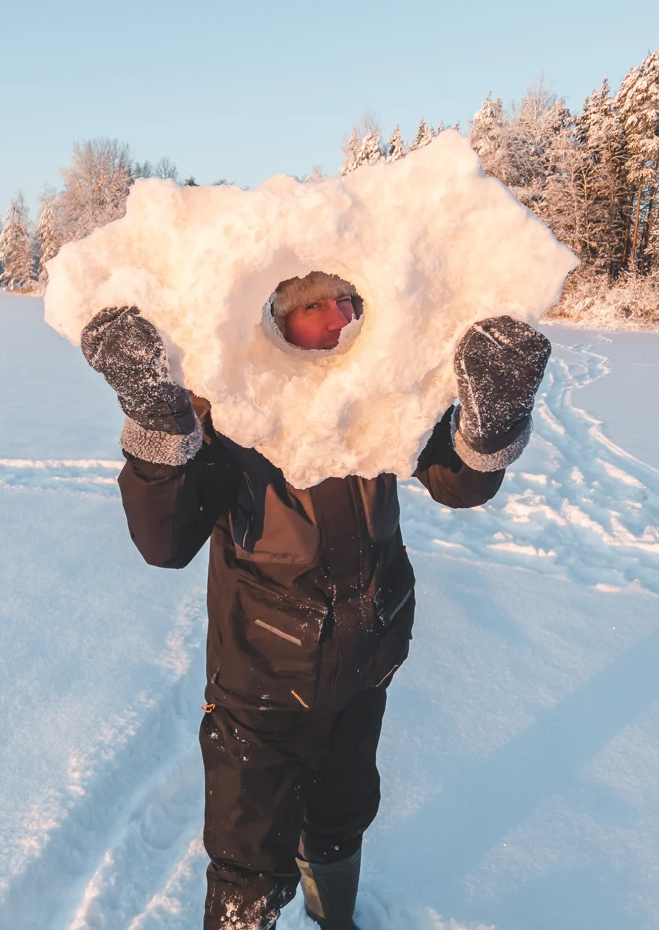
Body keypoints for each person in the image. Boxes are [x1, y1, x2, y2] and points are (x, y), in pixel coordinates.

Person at [81, 271, 551, 930]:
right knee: (249, 856)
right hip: (261, 682)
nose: (339, 321)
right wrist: (157, 420)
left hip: (366, 659)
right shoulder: (227, 408)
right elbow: (166, 540)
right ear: (272, 320)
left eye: (348, 303)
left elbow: (458, 482)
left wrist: (491, 417)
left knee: (342, 813)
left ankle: (334, 920)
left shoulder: (384, 394)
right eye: (314, 308)